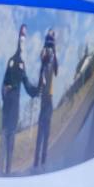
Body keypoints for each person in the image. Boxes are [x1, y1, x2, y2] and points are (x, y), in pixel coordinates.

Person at [0, 25, 37, 174]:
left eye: (24, 39)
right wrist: (6, 93)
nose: (22, 42)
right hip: (7, 108)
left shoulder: (22, 66)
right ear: (18, 40)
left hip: (14, 109)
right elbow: (4, 82)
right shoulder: (11, 61)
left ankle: (7, 172)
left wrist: (36, 91)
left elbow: (27, 84)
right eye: (21, 38)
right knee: (3, 141)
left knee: (11, 144)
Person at [33, 29, 58, 168]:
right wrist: (46, 49)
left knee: (46, 132)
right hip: (44, 98)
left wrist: (55, 50)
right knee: (40, 132)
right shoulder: (44, 55)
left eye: (52, 36)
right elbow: (42, 57)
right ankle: (36, 162)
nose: (51, 38)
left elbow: (56, 70)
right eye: (50, 35)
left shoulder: (53, 56)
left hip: (50, 97)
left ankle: (43, 160)